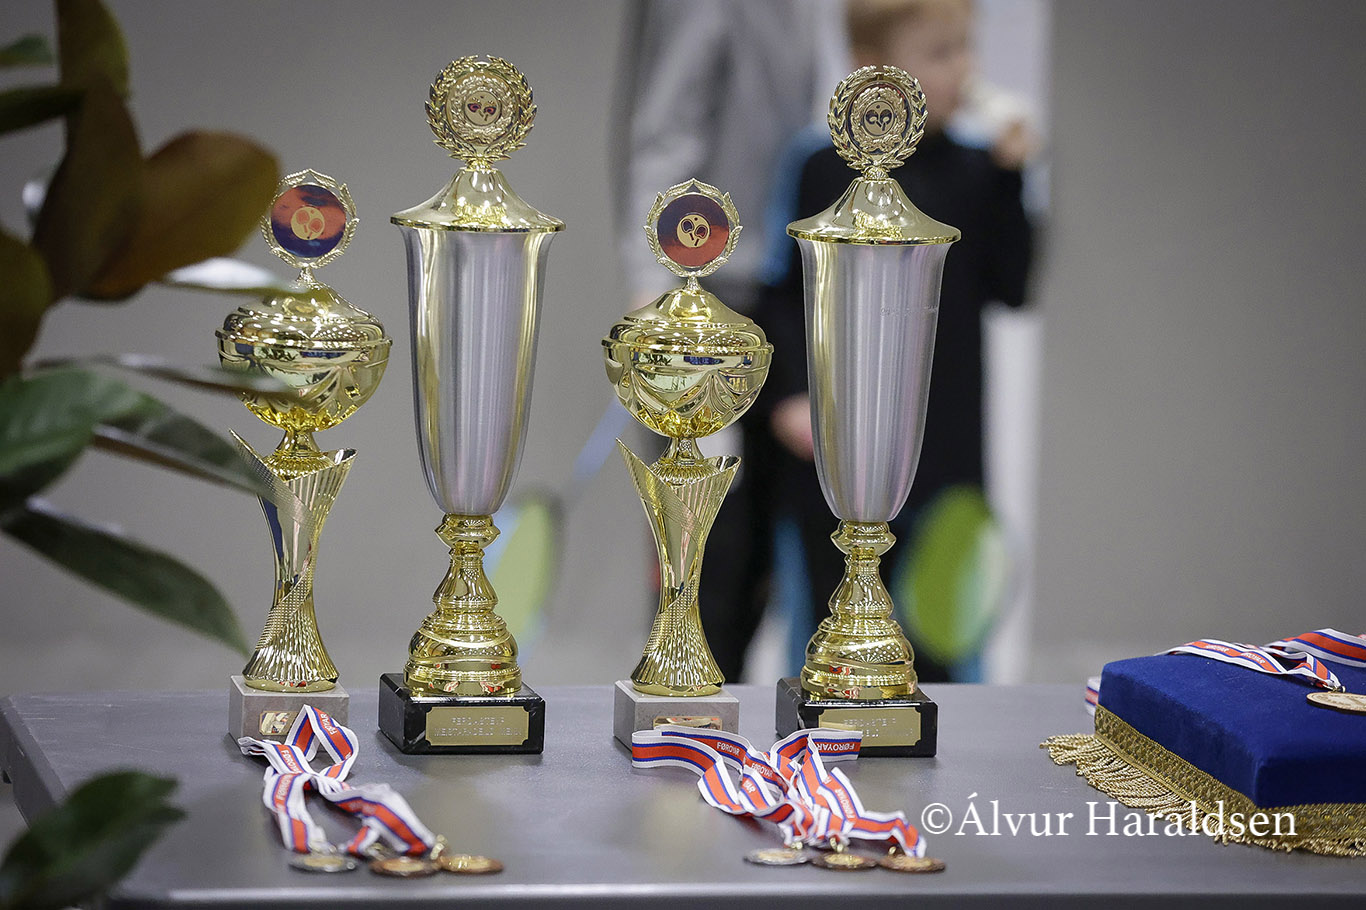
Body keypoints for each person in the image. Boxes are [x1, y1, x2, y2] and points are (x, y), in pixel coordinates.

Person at [755, 0, 1036, 681]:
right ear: (870, 68)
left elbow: (1014, 285)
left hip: (946, 452)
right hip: (834, 450)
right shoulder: (819, 167)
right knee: (829, 631)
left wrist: (1012, 177)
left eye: (966, 49)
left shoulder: (979, 171)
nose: (963, 70)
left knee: (942, 644)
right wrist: (789, 397)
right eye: (940, 53)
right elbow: (781, 294)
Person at [609, 0, 849, 680]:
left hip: (782, 298)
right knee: (709, 545)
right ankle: (682, 703)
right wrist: (653, 294)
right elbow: (665, 129)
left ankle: (724, 708)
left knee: (767, 554)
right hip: (705, 303)